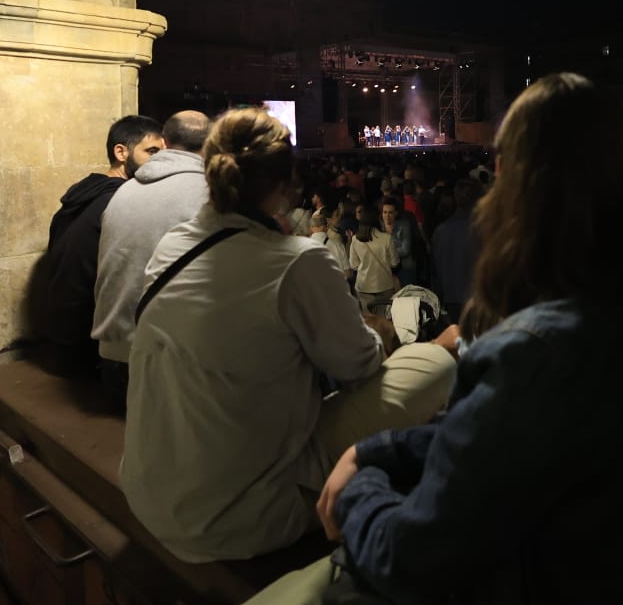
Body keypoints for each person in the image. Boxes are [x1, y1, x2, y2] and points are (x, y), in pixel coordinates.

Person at [168, 73, 623, 605]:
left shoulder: (531, 351)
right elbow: (496, 436)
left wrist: (362, 487)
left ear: (515, 183)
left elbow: (411, 556)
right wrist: (379, 449)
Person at [121, 107, 458, 564]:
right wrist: (384, 336)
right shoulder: (297, 260)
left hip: (149, 497)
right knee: (429, 364)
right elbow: (360, 366)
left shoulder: (172, 245)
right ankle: (444, 351)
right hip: (242, 518)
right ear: (284, 185)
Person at [27, 115, 163, 377]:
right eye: (152, 151)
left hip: (61, 336)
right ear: (121, 152)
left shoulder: (86, 191)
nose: (160, 161)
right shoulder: (122, 201)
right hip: (88, 348)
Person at [92, 111, 211, 408]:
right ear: (211, 145)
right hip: (165, 363)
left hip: (111, 355)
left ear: (166, 143)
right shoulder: (210, 193)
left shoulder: (122, 191)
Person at [430, 178, 483, 323]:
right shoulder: (483, 230)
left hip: (451, 299)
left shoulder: (441, 231)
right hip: (477, 299)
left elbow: (435, 270)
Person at [348, 205, 398, 315]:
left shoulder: (355, 239)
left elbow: (353, 265)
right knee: (383, 319)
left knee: (369, 320)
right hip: (384, 284)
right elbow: (394, 263)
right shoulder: (386, 238)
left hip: (363, 285)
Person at [380, 195, 425, 289]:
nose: (387, 216)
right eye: (385, 212)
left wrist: (386, 252)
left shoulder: (403, 225)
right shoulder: (379, 227)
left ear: (396, 213)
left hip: (404, 267)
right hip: (386, 268)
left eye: (390, 213)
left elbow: (405, 250)